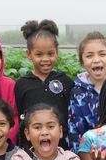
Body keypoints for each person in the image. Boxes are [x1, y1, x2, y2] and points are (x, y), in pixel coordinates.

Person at [14, 20, 75, 149]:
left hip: (61, 149)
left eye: (50, 54)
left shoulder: (66, 82)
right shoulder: (21, 84)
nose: (45, 59)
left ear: (57, 52)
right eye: (39, 54)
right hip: (30, 149)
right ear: (29, 54)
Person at [68, 31, 106, 151]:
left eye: (102, 54)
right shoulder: (77, 92)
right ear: (82, 62)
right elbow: (75, 129)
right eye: (89, 56)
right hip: (90, 155)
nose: (96, 60)